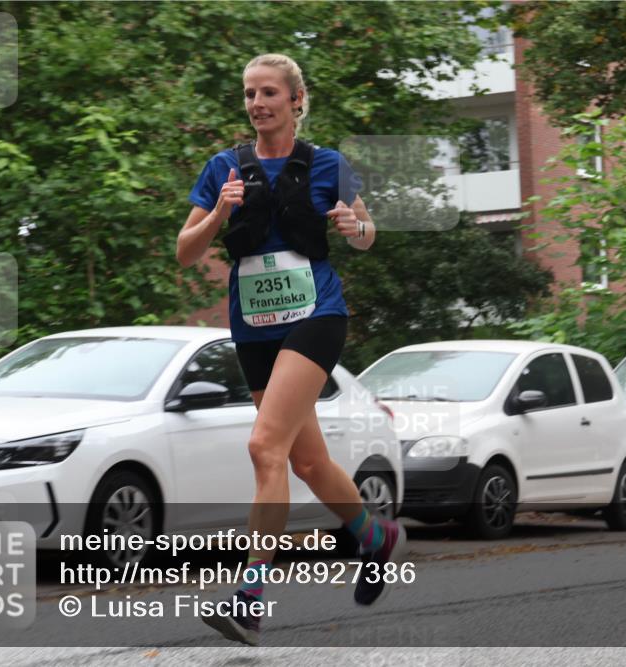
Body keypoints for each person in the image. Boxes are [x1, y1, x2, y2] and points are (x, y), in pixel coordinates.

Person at [175, 53, 405, 646]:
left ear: (296, 100)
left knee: (264, 446)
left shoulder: (328, 165)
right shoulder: (224, 167)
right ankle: (375, 536)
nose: (257, 103)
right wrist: (220, 210)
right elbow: (185, 251)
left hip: (316, 316)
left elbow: (366, 232)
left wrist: (356, 228)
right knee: (306, 462)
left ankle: (250, 597)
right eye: (249, 94)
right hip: (254, 327)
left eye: (269, 93)